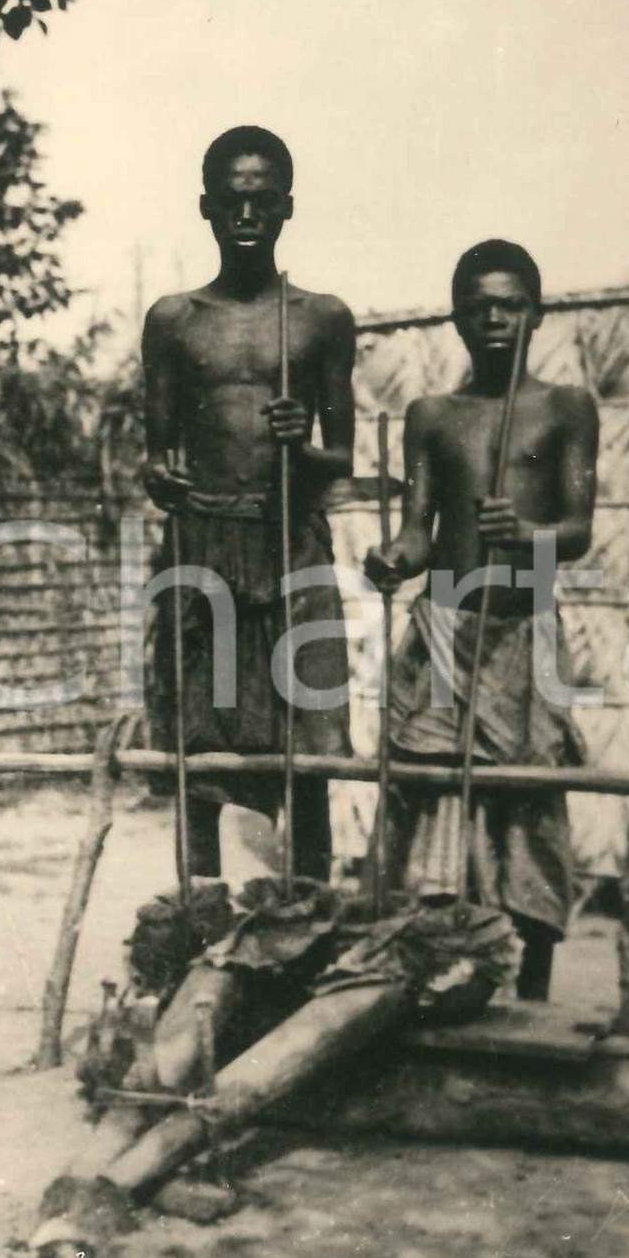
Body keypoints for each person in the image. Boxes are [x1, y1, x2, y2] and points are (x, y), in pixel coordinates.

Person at [364, 239, 599, 1000]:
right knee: (430, 797)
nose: (495, 318)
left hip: (523, 630)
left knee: (527, 805)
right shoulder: (432, 415)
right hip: (441, 631)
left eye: (511, 305)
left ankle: (531, 993)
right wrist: (394, 559)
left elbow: (577, 526)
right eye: (479, 307)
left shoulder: (565, 408)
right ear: (456, 319)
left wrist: (527, 537)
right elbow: (417, 528)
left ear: (538, 313)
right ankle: (429, 981)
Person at [143, 126, 356, 883]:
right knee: (196, 748)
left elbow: (343, 458)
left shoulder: (320, 318)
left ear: (286, 208)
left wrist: (303, 445)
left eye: (262, 201)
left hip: (290, 540)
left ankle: (310, 916)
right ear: (206, 207)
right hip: (201, 543)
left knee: (309, 741)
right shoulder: (175, 320)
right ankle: (196, 919)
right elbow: (158, 456)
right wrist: (162, 481)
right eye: (231, 201)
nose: (246, 215)